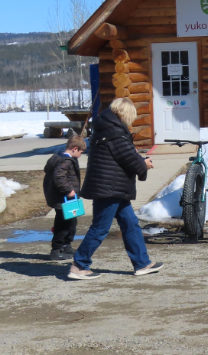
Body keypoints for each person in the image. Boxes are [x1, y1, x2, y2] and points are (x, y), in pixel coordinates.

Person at [69, 98, 163, 280]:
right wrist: (143, 164)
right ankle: (79, 265)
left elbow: (124, 155)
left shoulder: (106, 127)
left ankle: (142, 264)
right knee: (100, 228)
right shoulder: (114, 131)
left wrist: (139, 161)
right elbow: (128, 158)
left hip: (112, 186)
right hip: (109, 187)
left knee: (131, 224)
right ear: (126, 113)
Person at [43, 132, 86, 260]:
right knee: (63, 223)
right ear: (75, 149)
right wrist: (69, 190)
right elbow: (59, 177)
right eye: (81, 152)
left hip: (67, 199)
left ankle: (66, 245)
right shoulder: (65, 161)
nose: (80, 155)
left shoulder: (60, 158)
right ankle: (56, 249)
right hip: (62, 198)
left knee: (72, 221)